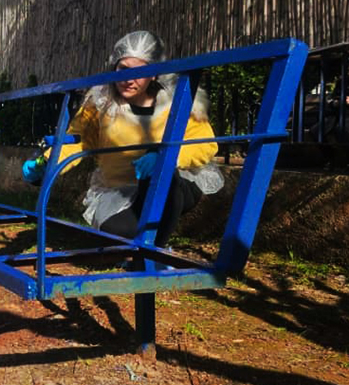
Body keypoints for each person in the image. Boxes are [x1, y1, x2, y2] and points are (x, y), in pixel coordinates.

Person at [22, 31, 223, 246]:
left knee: (163, 177)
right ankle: (144, 247)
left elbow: (204, 144)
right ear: (114, 68)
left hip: (175, 182)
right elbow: (77, 141)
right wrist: (47, 161)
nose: (128, 79)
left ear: (154, 73)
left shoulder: (177, 101)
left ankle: (151, 257)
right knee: (117, 233)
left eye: (140, 71)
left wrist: (167, 157)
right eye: (123, 69)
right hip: (118, 192)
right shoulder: (100, 103)